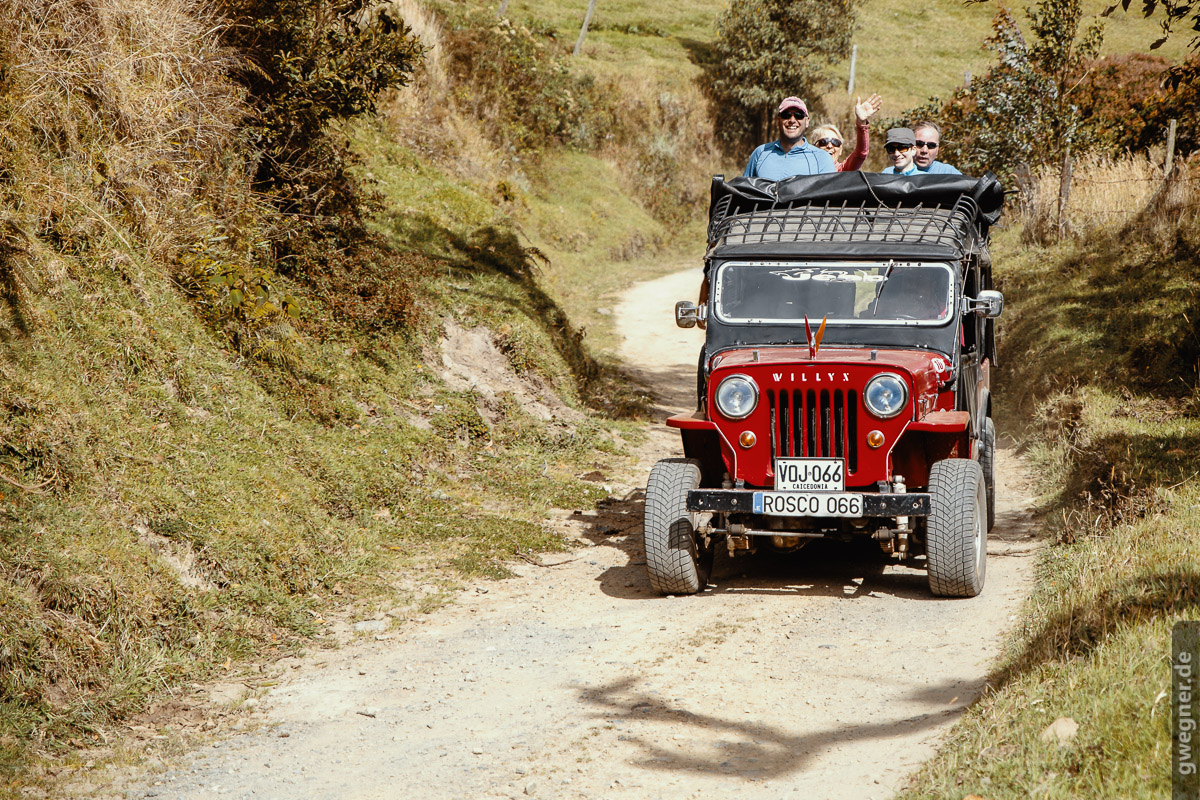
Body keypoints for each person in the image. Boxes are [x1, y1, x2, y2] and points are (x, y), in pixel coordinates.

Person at [742, 97, 836, 180]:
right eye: (786, 115)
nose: (792, 120)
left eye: (798, 115)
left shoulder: (822, 159)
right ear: (778, 120)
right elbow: (743, 193)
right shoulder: (760, 153)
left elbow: (830, 197)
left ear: (807, 122)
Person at [810, 93, 883, 172]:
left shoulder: (844, 170)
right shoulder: (806, 170)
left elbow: (861, 153)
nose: (830, 146)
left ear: (840, 150)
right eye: (823, 142)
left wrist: (861, 123)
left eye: (836, 142)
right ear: (814, 147)